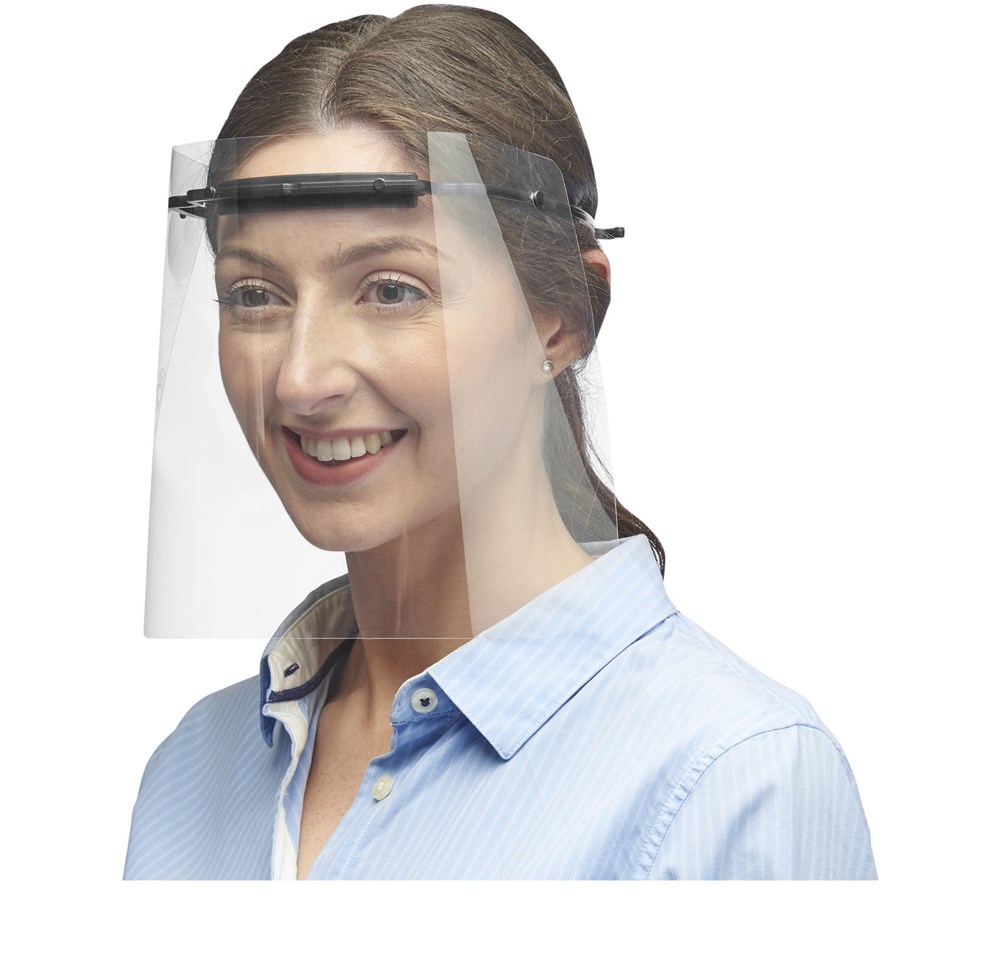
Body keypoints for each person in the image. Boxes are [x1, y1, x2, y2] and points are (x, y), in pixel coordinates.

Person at [126, 4, 876, 879]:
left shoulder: (733, 778)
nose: (299, 379)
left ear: (560, 319)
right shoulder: (193, 768)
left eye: (391, 290)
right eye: (254, 295)